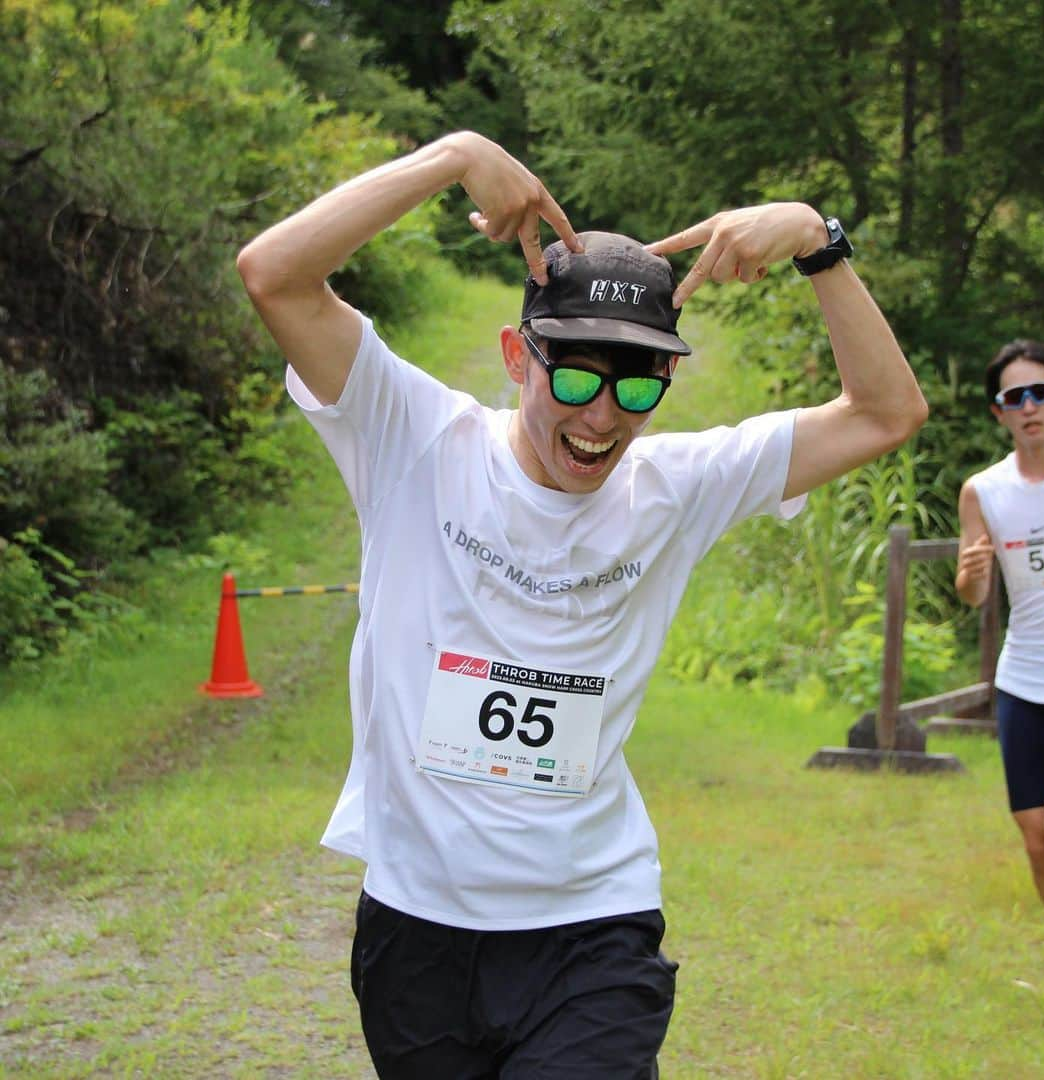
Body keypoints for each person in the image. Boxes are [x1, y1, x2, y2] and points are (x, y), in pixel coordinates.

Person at [236, 131, 927, 1077]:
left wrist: (818, 239)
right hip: (418, 929)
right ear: (518, 355)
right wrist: (454, 156)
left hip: (592, 926)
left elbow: (886, 412)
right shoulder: (415, 441)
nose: (602, 416)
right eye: (574, 374)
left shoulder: (677, 486)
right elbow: (274, 274)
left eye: (639, 380)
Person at [955, 340, 1044, 1000]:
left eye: (1041, 393)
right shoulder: (985, 491)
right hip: (1023, 679)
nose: (1029, 407)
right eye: (1013, 399)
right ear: (998, 414)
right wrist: (971, 578)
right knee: (1037, 843)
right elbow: (975, 593)